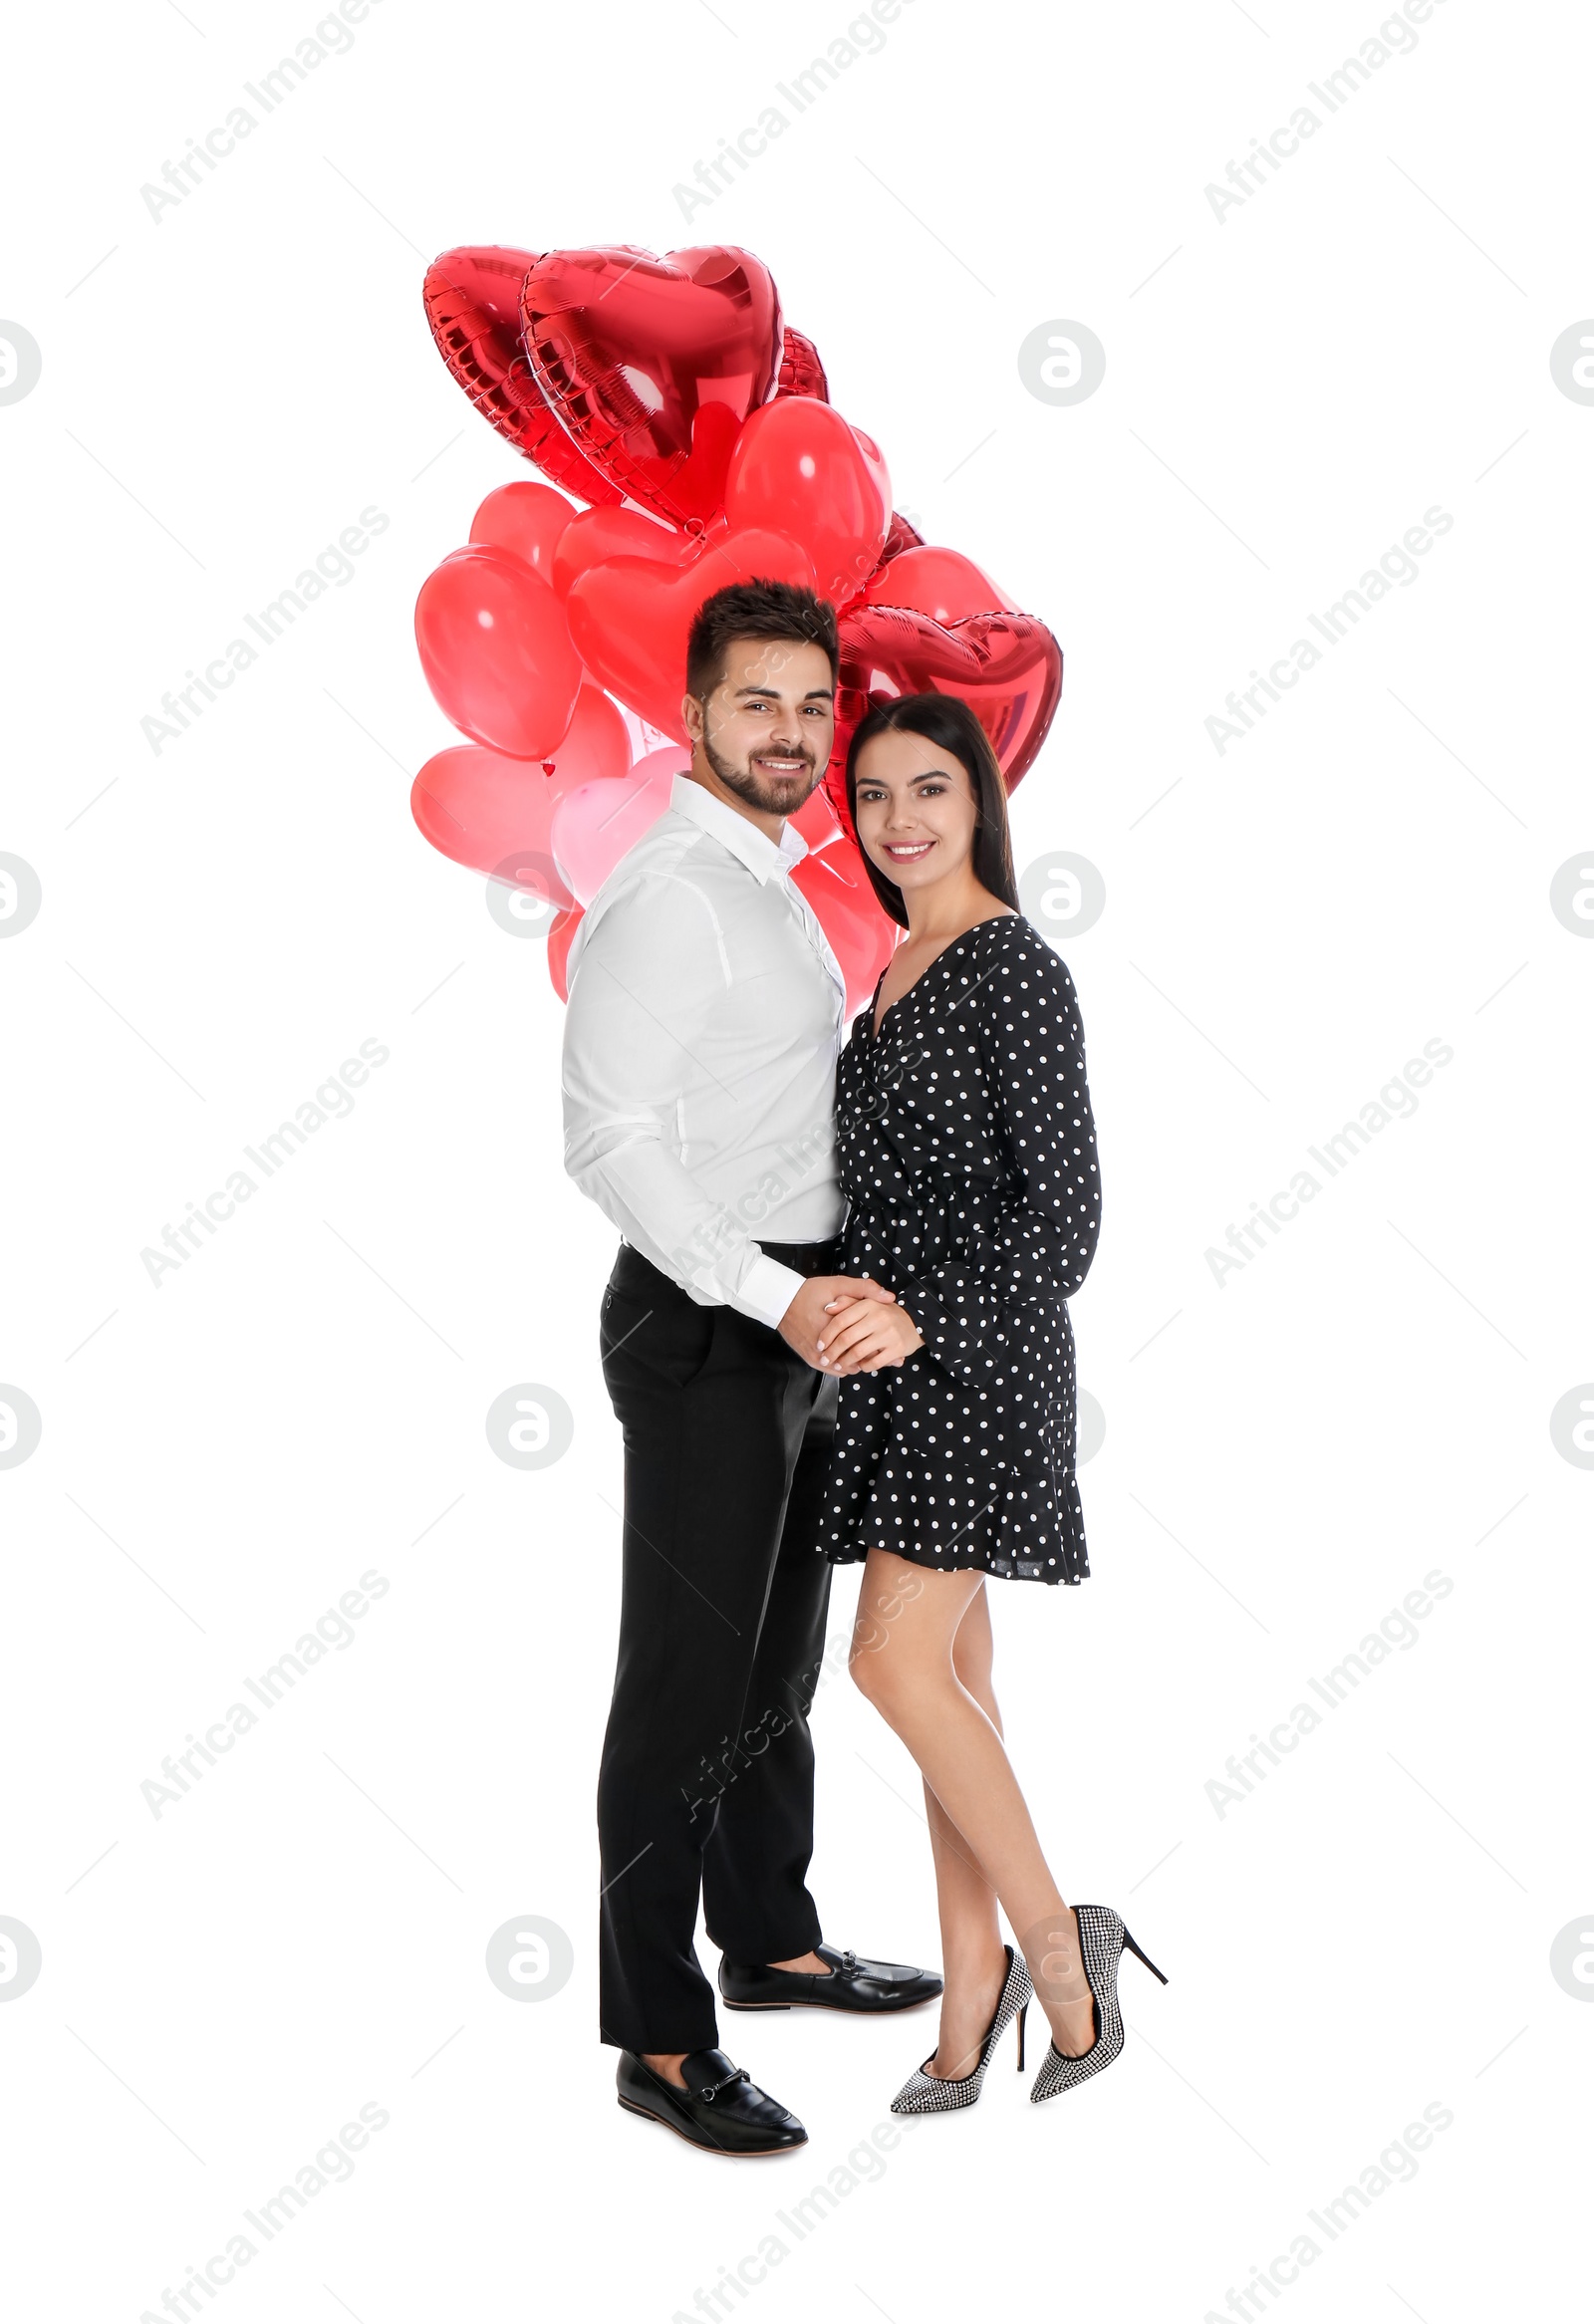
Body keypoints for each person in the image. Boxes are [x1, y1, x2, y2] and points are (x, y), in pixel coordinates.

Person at [561, 580, 941, 2160]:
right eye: (754, 705)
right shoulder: (673, 897)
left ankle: (769, 1938)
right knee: (683, 1688)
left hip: (792, 1302)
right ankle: (657, 2034)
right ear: (695, 714)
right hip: (709, 1318)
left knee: (777, 1663)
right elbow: (608, 1142)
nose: (788, 732)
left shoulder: (769, 877)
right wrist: (764, 1297)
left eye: (809, 704)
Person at [811, 693, 1169, 2114]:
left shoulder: (1014, 966)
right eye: (878, 794)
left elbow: (1068, 1221)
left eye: (931, 790)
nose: (902, 819)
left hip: (979, 1361)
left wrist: (916, 1312)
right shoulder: (888, 976)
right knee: (954, 1684)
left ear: (979, 803)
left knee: (889, 1669)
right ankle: (970, 1998)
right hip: (894, 1378)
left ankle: (1064, 1957)